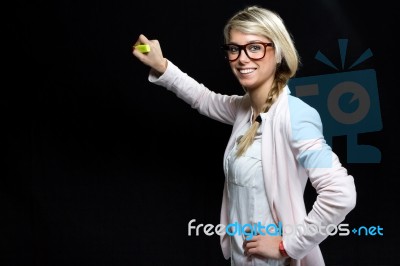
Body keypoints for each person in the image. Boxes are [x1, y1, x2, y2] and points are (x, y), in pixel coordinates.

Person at [132, 5, 356, 266]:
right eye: (234, 48)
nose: (242, 58)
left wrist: (288, 245)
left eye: (255, 47)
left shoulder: (296, 117)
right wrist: (161, 65)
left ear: (278, 52)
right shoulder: (244, 109)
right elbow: (203, 98)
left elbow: (340, 193)